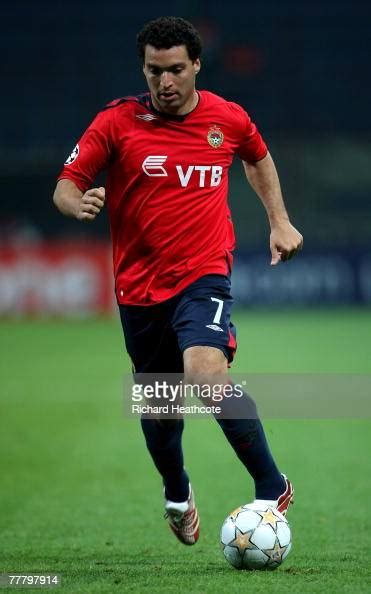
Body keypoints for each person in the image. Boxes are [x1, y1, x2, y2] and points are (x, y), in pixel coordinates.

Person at [53, 16, 303, 546]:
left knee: (205, 373)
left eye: (174, 71)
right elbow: (67, 184)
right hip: (139, 288)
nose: (163, 83)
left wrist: (279, 220)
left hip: (203, 273)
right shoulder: (116, 122)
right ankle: (176, 491)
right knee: (161, 409)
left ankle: (271, 483)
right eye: (153, 71)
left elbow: (257, 158)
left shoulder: (226, 118)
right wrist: (78, 204)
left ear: (195, 67)